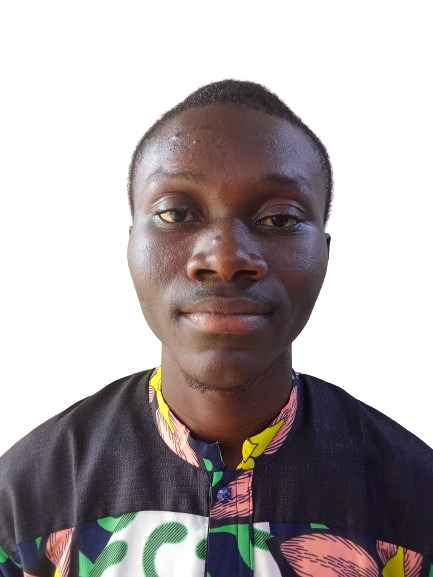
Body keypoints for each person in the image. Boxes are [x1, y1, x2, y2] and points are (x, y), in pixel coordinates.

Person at [0, 80, 432, 577]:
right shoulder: (29, 498)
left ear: (324, 254)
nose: (225, 258)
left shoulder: (415, 499)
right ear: (132, 245)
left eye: (279, 219)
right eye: (175, 213)